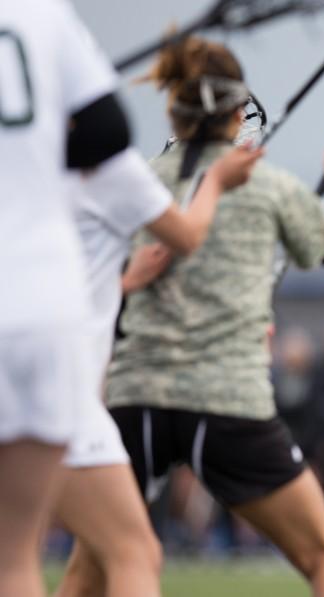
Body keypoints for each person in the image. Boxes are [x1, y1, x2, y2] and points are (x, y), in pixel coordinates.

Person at [87, 35, 324, 597]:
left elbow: (98, 289)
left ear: (172, 108)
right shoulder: (268, 186)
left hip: (134, 396)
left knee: (104, 570)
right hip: (227, 401)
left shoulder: (135, 183)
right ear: (239, 113)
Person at [0, 2, 228, 595]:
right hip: (43, 338)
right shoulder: (110, 168)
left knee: (87, 555)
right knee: (120, 552)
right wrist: (222, 183)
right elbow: (185, 232)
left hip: (48, 337)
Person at [54, 139, 261, 597]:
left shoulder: (34, 172)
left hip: (41, 385)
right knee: (135, 554)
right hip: (60, 393)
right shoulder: (119, 170)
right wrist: (217, 181)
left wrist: (126, 282)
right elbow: (187, 235)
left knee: (33, 556)